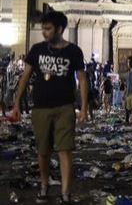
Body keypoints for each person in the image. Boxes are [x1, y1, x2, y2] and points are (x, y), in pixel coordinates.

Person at [12, 11, 88, 205]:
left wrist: (84, 107)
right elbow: (25, 77)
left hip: (65, 107)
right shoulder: (37, 50)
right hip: (41, 108)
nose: (44, 32)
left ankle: (65, 193)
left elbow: (82, 79)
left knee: (65, 150)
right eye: (43, 28)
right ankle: (44, 185)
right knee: (43, 151)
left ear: (60, 29)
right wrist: (16, 104)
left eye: (48, 29)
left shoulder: (74, 51)